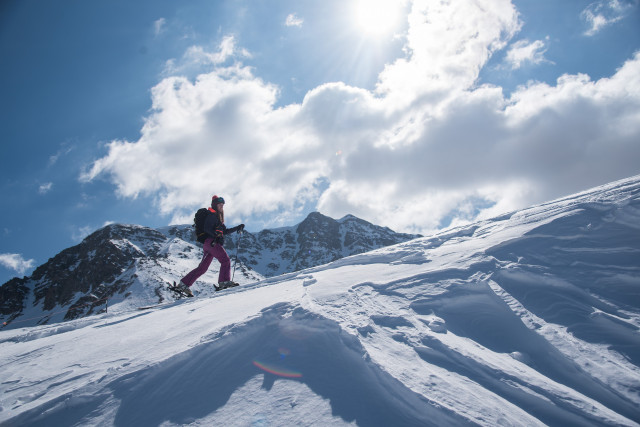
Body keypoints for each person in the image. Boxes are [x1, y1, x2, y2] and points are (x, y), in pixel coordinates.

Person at [174, 195, 244, 296]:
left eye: (222, 205)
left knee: (202, 268)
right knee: (225, 260)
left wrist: (238, 227)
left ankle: (184, 284)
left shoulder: (217, 219)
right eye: (220, 205)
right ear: (215, 205)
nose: (222, 207)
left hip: (208, 244)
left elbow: (225, 231)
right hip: (212, 242)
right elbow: (207, 228)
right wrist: (216, 237)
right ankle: (224, 282)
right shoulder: (212, 216)